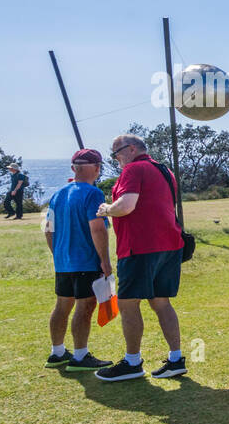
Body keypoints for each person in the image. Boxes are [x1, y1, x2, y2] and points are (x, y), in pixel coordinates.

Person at [93, 134, 187, 381]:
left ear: (131, 149)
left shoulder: (134, 169)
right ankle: (176, 359)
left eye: (117, 153)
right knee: (161, 301)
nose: (116, 159)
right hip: (170, 245)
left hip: (141, 247)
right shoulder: (164, 170)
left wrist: (106, 209)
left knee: (128, 303)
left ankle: (132, 362)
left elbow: (126, 206)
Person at [43, 149, 113, 372]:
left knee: (62, 306)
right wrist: (105, 261)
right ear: (97, 168)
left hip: (63, 262)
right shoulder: (93, 194)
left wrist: (58, 254)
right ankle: (81, 356)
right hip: (86, 261)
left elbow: (48, 229)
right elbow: (97, 229)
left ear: (74, 168)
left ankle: (58, 352)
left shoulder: (58, 194)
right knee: (85, 306)